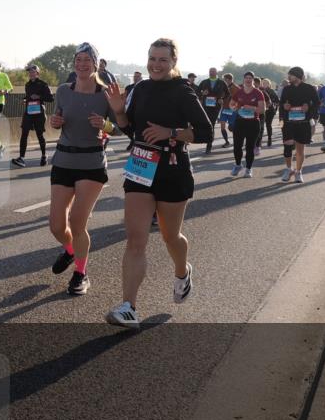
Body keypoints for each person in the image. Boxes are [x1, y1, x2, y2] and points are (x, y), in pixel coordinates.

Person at [103, 38, 212, 330]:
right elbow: (132, 131)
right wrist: (119, 111)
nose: (156, 64)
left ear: (174, 62)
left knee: (170, 236)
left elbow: (205, 132)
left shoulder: (183, 91)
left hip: (173, 168)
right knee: (135, 239)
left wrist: (171, 132)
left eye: (163, 59)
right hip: (140, 164)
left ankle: (182, 271)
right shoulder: (140, 89)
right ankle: (129, 307)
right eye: (152, 58)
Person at [47, 43, 120, 295]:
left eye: (87, 60)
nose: (82, 64)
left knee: (77, 223)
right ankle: (70, 251)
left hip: (91, 163)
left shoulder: (105, 94)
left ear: (96, 64)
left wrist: (106, 126)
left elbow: (121, 127)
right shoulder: (63, 91)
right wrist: (55, 122)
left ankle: (81, 273)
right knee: (56, 226)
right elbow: (57, 119)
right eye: (78, 59)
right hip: (63, 160)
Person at [278, 66, 319, 183]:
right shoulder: (287, 89)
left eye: (291, 75)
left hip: (303, 123)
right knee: (287, 147)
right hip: (288, 122)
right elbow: (281, 105)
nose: (289, 77)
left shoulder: (309, 88)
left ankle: (298, 171)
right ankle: (288, 169)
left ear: (297, 76)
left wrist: (309, 107)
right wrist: (284, 108)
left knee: (299, 149)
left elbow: (317, 103)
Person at [12, 64, 53, 167]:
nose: (30, 74)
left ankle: (44, 156)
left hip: (39, 112)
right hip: (29, 112)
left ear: (37, 73)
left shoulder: (43, 84)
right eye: (29, 72)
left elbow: (50, 98)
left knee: (40, 134)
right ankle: (21, 158)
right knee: (24, 133)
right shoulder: (27, 85)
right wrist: (24, 100)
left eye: (32, 72)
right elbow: (28, 97)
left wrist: (39, 96)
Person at [229, 72, 266, 178]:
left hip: (253, 123)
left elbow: (262, 110)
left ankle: (248, 169)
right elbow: (231, 104)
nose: (248, 80)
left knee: (250, 147)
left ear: (253, 80)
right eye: (246, 78)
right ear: (244, 79)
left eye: (250, 78)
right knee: (237, 146)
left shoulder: (258, 93)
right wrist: (233, 108)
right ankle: (238, 165)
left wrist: (252, 108)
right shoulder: (239, 92)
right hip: (240, 122)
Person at [197, 67, 228, 154]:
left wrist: (222, 99)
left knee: (212, 124)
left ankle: (209, 145)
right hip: (206, 106)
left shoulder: (221, 83)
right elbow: (196, 91)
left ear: (216, 72)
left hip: (216, 107)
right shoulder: (204, 82)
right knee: (207, 124)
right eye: (210, 71)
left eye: (213, 71)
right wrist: (202, 93)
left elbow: (227, 93)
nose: (212, 73)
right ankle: (209, 139)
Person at [216, 73, 236, 149]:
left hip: (232, 110)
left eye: (225, 80)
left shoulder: (235, 88)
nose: (224, 81)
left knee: (232, 128)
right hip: (224, 109)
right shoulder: (223, 87)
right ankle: (227, 142)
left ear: (229, 79)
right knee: (222, 127)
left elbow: (239, 99)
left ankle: (236, 141)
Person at [261, 78, 280, 147]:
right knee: (261, 125)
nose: (264, 84)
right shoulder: (260, 90)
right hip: (262, 110)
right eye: (263, 83)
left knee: (268, 125)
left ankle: (269, 139)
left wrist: (275, 109)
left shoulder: (272, 91)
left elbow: (277, 101)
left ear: (269, 84)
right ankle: (259, 140)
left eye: (266, 83)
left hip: (270, 110)